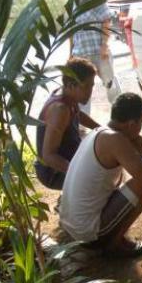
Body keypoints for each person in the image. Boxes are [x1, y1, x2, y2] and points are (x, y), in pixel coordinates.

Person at [59, 93, 142, 257]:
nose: (140, 130)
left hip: (72, 226)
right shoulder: (115, 140)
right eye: (140, 124)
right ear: (132, 124)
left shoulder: (98, 132)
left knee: (132, 179)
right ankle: (114, 244)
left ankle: (112, 238)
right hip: (88, 233)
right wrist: (141, 151)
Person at [62, 0, 120, 114]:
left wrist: (105, 45)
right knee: (81, 90)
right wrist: (71, 54)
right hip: (81, 55)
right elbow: (71, 31)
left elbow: (106, 20)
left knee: (110, 83)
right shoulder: (72, 2)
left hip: (98, 51)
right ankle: (81, 127)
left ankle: (121, 116)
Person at [35, 57, 100, 190]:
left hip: (69, 159)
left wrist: (100, 128)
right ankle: (70, 203)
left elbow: (78, 114)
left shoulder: (68, 95)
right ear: (71, 85)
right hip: (52, 172)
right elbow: (48, 156)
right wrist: (79, 172)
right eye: (87, 86)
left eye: (92, 86)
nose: (90, 91)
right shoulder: (60, 110)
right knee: (99, 180)